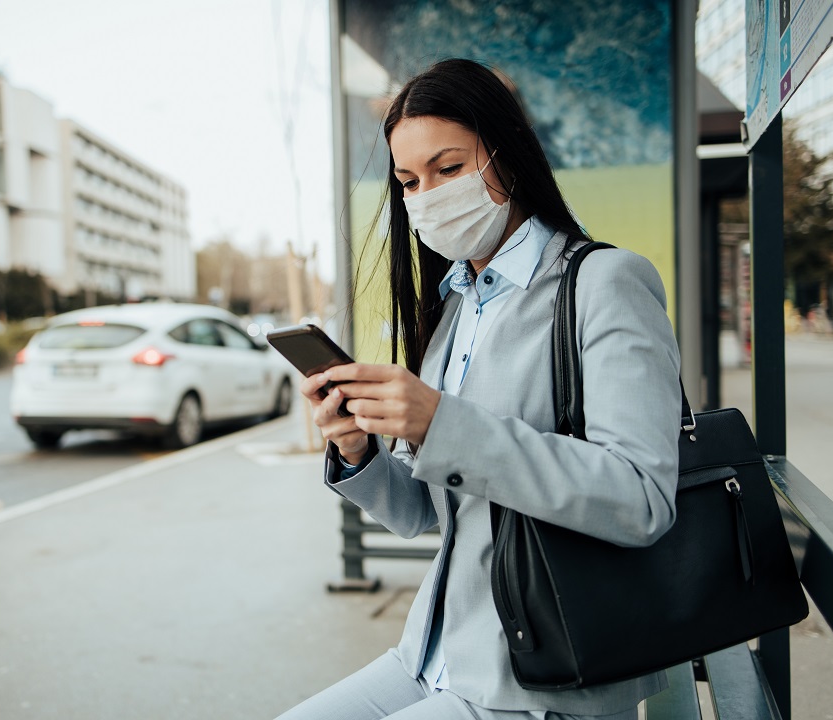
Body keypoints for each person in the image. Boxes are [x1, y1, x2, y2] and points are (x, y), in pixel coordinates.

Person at [278, 58, 682, 720]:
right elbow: (425, 513)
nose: (428, 195)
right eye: (409, 181)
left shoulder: (606, 283)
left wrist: (443, 423)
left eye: (449, 168)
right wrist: (358, 449)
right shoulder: (458, 305)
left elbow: (641, 498)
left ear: (508, 152)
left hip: (542, 673)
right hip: (436, 653)